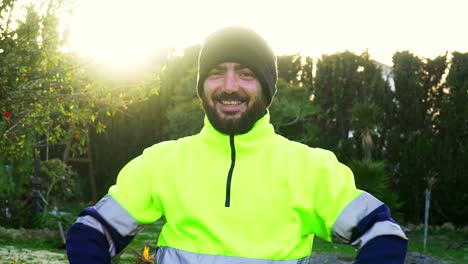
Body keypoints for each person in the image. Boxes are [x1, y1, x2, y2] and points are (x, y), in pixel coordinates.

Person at [66, 26, 408, 263]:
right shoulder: (162, 162)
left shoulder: (311, 168)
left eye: (246, 73)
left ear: (267, 88)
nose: (229, 86)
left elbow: (383, 234)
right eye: (216, 72)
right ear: (201, 87)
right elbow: (91, 231)